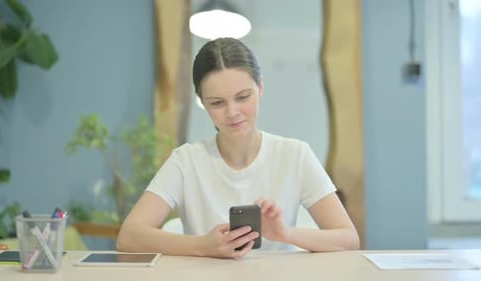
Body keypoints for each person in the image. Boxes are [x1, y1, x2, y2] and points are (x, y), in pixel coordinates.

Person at [116, 37, 360, 259]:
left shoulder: (295, 155)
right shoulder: (186, 161)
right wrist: (202, 246)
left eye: (243, 97)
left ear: (260, 88)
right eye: (217, 103)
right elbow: (129, 236)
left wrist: (285, 233)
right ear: (202, 102)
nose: (232, 113)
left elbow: (349, 240)